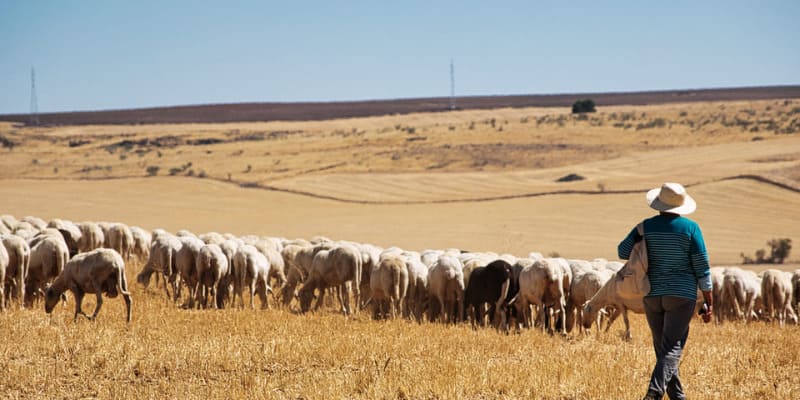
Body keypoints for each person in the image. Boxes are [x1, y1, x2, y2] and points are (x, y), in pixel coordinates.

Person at [617, 182, 713, 400]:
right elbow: (701, 265)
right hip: (682, 296)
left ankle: (678, 396)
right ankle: (653, 394)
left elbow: (622, 251)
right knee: (671, 348)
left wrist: (642, 238)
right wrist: (709, 298)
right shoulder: (690, 228)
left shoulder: (645, 226)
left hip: (652, 294)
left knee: (663, 349)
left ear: (659, 203)